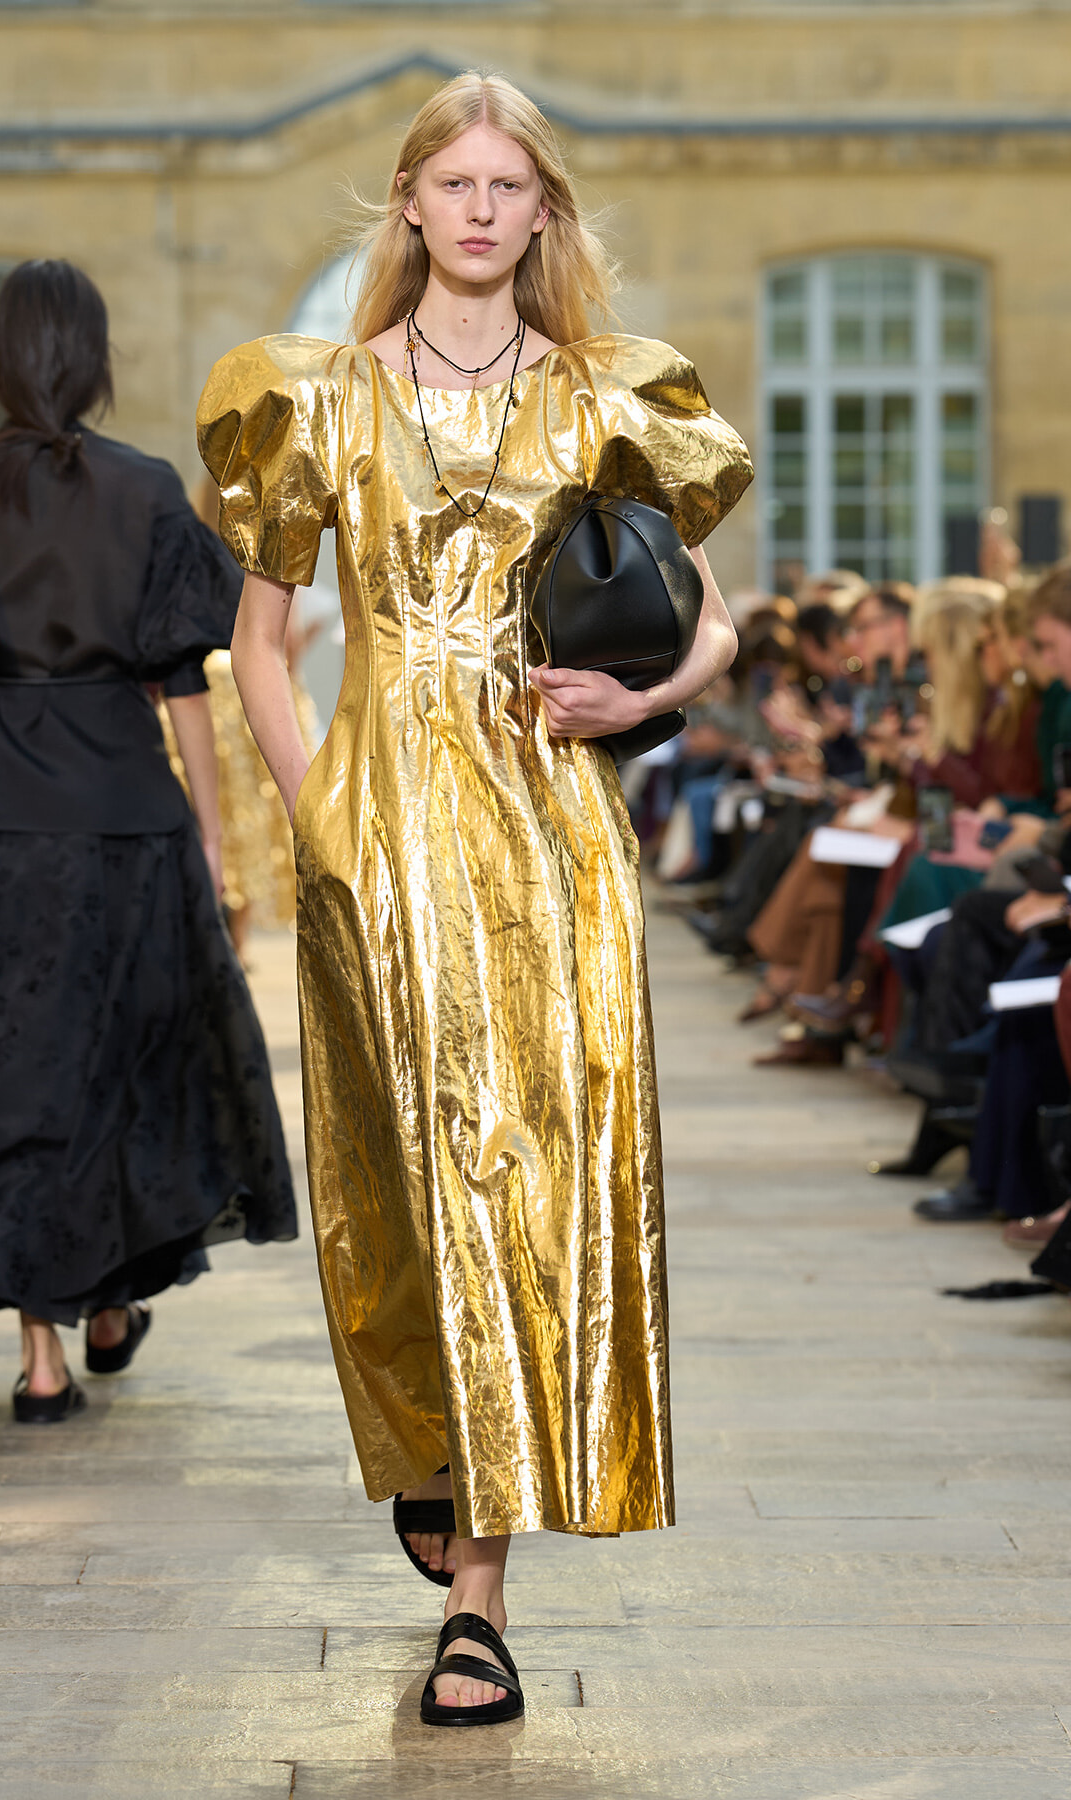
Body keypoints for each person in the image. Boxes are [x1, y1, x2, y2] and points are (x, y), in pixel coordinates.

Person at [197, 72, 751, 1726]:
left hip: (550, 834)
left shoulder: (602, 395)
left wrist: (639, 707)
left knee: (527, 1176)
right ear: (412, 202)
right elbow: (257, 646)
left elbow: (710, 620)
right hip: (383, 832)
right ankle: (438, 1443)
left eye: (515, 184)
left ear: (542, 212)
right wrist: (323, 826)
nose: (487, 209)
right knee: (403, 1175)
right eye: (460, 182)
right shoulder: (323, 399)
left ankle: (486, 1596)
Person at [0, 260, 296, 1423]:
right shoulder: (148, 489)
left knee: (10, 1076)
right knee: (124, 1068)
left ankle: (45, 1355)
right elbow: (184, 689)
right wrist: (210, 839)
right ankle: (108, 1304)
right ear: (94, 361)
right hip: (126, 815)